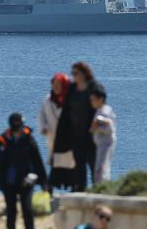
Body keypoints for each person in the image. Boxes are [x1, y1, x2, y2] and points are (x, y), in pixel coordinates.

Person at [0, 113, 47, 229]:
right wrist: (1, 184)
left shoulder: (29, 140)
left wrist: (43, 182)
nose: (19, 131)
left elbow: (37, 161)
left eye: (20, 127)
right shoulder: (2, 141)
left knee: (28, 212)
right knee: (11, 214)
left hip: (26, 182)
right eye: (16, 128)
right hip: (9, 184)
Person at [53, 62, 97, 191]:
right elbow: (66, 111)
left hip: (92, 137)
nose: (73, 76)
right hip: (76, 136)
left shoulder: (94, 87)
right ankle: (80, 191)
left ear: (84, 74)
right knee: (78, 167)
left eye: (76, 73)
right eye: (72, 73)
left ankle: (98, 191)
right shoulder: (72, 89)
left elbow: (101, 104)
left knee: (95, 167)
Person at [38, 73, 71, 165]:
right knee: (56, 169)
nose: (55, 87)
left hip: (69, 143)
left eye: (58, 84)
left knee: (70, 171)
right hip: (52, 140)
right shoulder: (47, 99)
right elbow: (41, 115)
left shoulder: (71, 100)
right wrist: (43, 127)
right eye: (53, 84)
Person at [89, 85, 116, 183]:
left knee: (100, 168)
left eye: (93, 99)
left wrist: (97, 123)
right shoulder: (100, 110)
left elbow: (109, 125)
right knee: (102, 167)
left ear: (101, 99)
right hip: (101, 143)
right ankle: (101, 186)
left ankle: (101, 187)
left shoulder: (105, 110)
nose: (91, 102)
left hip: (105, 143)